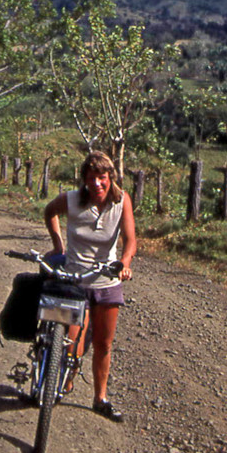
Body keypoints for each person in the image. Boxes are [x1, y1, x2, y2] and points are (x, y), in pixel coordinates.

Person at [43, 150, 136, 422]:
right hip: (74, 281)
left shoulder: (122, 201)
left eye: (102, 178)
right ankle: (62, 382)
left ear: (111, 178)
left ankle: (100, 398)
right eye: (91, 178)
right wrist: (58, 245)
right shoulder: (72, 200)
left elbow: (130, 239)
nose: (97, 184)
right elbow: (49, 211)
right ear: (84, 179)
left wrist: (125, 261)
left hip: (107, 281)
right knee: (72, 344)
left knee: (103, 344)